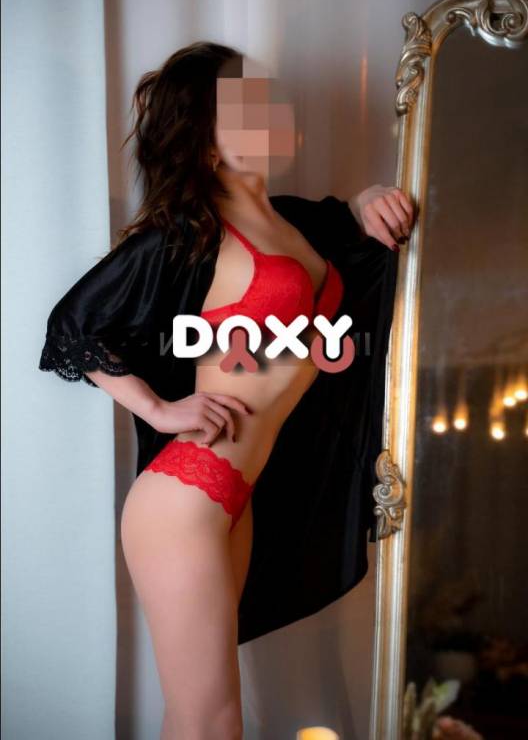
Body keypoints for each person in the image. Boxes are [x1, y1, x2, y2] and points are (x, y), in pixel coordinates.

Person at [39, 41, 415, 740]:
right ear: (206, 140)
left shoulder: (300, 223)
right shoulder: (193, 232)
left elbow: (353, 228)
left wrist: (367, 200)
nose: (273, 115)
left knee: (199, 718)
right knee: (212, 721)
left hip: (235, 501)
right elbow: (72, 327)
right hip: (185, 496)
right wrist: (158, 408)